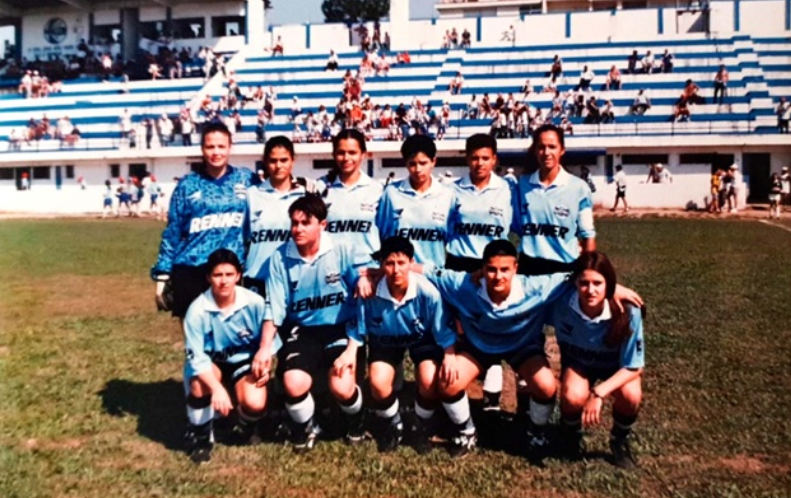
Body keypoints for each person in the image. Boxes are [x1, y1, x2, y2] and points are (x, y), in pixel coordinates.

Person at [416, 241, 643, 459]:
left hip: (520, 344)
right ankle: (466, 432)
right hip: (479, 346)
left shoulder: (536, 287)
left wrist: (613, 288)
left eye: (505, 269)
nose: (498, 276)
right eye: (491, 269)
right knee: (448, 383)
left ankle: (536, 433)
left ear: (516, 268)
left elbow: (579, 276)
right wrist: (393, 270)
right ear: (482, 269)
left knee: (546, 386)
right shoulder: (463, 284)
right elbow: (425, 270)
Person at [252, 195, 371, 452]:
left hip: (339, 328)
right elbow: (275, 306)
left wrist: (353, 347)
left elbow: (362, 296)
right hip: (304, 330)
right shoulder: (280, 257)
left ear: (323, 225)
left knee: (342, 385)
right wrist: (264, 347)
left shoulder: (341, 249)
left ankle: (357, 421)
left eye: (306, 223)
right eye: (294, 223)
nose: (298, 229)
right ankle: (307, 425)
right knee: (293, 382)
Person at [335, 237, 454, 453]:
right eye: (389, 263)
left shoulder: (428, 292)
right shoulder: (370, 292)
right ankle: (394, 422)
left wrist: (450, 355)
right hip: (386, 339)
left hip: (420, 338)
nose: (396, 270)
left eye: (401, 263)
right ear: (381, 265)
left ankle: (419, 424)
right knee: (378, 383)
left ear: (411, 263)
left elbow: (442, 330)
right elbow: (359, 327)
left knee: (429, 381)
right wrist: (350, 352)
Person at [151, 121, 255, 320]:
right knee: (195, 337)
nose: (216, 152)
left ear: (230, 147)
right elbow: (173, 230)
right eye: (210, 146)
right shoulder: (187, 185)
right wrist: (163, 273)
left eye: (221, 146)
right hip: (191, 269)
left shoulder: (247, 180)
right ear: (202, 149)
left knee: (231, 335)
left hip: (230, 271)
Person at [550, 251, 645, 469]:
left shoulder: (628, 311)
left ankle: (619, 439)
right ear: (575, 282)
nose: (590, 290)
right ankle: (570, 434)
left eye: (598, 283)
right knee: (572, 396)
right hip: (580, 364)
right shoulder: (561, 303)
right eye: (584, 283)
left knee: (631, 395)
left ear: (609, 284)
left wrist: (599, 392)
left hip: (616, 367)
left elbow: (634, 366)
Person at [182, 249, 272, 463]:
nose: (224, 281)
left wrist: (265, 365)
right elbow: (197, 358)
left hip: (243, 361)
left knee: (255, 403)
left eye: (229, 274)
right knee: (199, 385)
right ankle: (201, 437)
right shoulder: (197, 311)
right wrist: (217, 389)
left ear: (238, 276)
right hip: (211, 362)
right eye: (217, 275)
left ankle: (244, 423)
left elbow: (267, 343)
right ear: (208, 277)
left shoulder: (254, 303)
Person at [446, 134, 514, 411]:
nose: (479, 163)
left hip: (493, 267)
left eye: (485, 158)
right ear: (467, 159)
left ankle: (492, 398)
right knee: (461, 327)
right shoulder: (453, 190)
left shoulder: (507, 190)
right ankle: (454, 388)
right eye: (474, 158)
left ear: (494, 159)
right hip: (460, 264)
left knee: (490, 324)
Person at [512, 124, 596, 276]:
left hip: (565, 269)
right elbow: (514, 226)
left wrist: (589, 272)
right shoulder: (522, 185)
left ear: (562, 150)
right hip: (528, 268)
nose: (546, 152)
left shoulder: (579, 188)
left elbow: (588, 235)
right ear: (535, 151)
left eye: (552, 147)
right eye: (541, 147)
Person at [245, 136, 312, 295]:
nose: (278, 166)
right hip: (257, 280)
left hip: (295, 279)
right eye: (273, 161)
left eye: (284, 160)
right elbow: (241, 239)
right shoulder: (251, 195)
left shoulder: (305, 195)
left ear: (292, 161)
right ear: (265, 162)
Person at [377, 134, 455, 266]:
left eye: (423, 163)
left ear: (433, 162)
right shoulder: (391, 193)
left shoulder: (448, 195)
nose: (418, 169)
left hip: (434, 274)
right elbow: (382, 235)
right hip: (399, 273)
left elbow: (451, 238)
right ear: (405, 163)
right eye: (412, 164)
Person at [316, 129, 383, 262]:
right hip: (330, 267)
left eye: (352, 152)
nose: (346, 158)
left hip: (367, 269)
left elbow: (385, 233)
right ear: (333, 155)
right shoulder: (319, 187)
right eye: (341, 153)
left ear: (363, 154)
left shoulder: (377, 189)